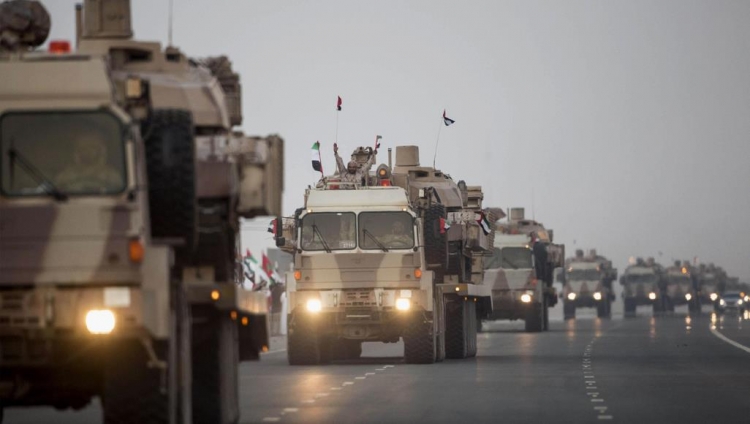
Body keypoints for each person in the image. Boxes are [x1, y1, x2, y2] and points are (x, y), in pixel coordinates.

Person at [56, 132, 122, 192]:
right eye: (83, 147)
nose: (88, 151)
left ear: (101, 150)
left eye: (92, 147)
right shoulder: (65, 176)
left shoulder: (111, 176)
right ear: (77, 151)